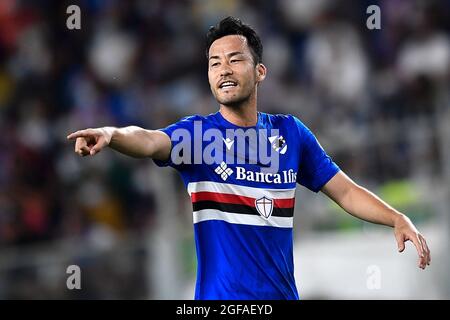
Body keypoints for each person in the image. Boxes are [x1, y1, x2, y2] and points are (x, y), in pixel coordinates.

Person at [67, 16, 431, 300]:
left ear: (260, 72)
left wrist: (396, 217)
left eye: (235, 59)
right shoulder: (197, 136)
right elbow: (148, 140)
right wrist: (112, 134)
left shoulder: (290, 134)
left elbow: (346, 192)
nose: (223, 69)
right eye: (214, 63)